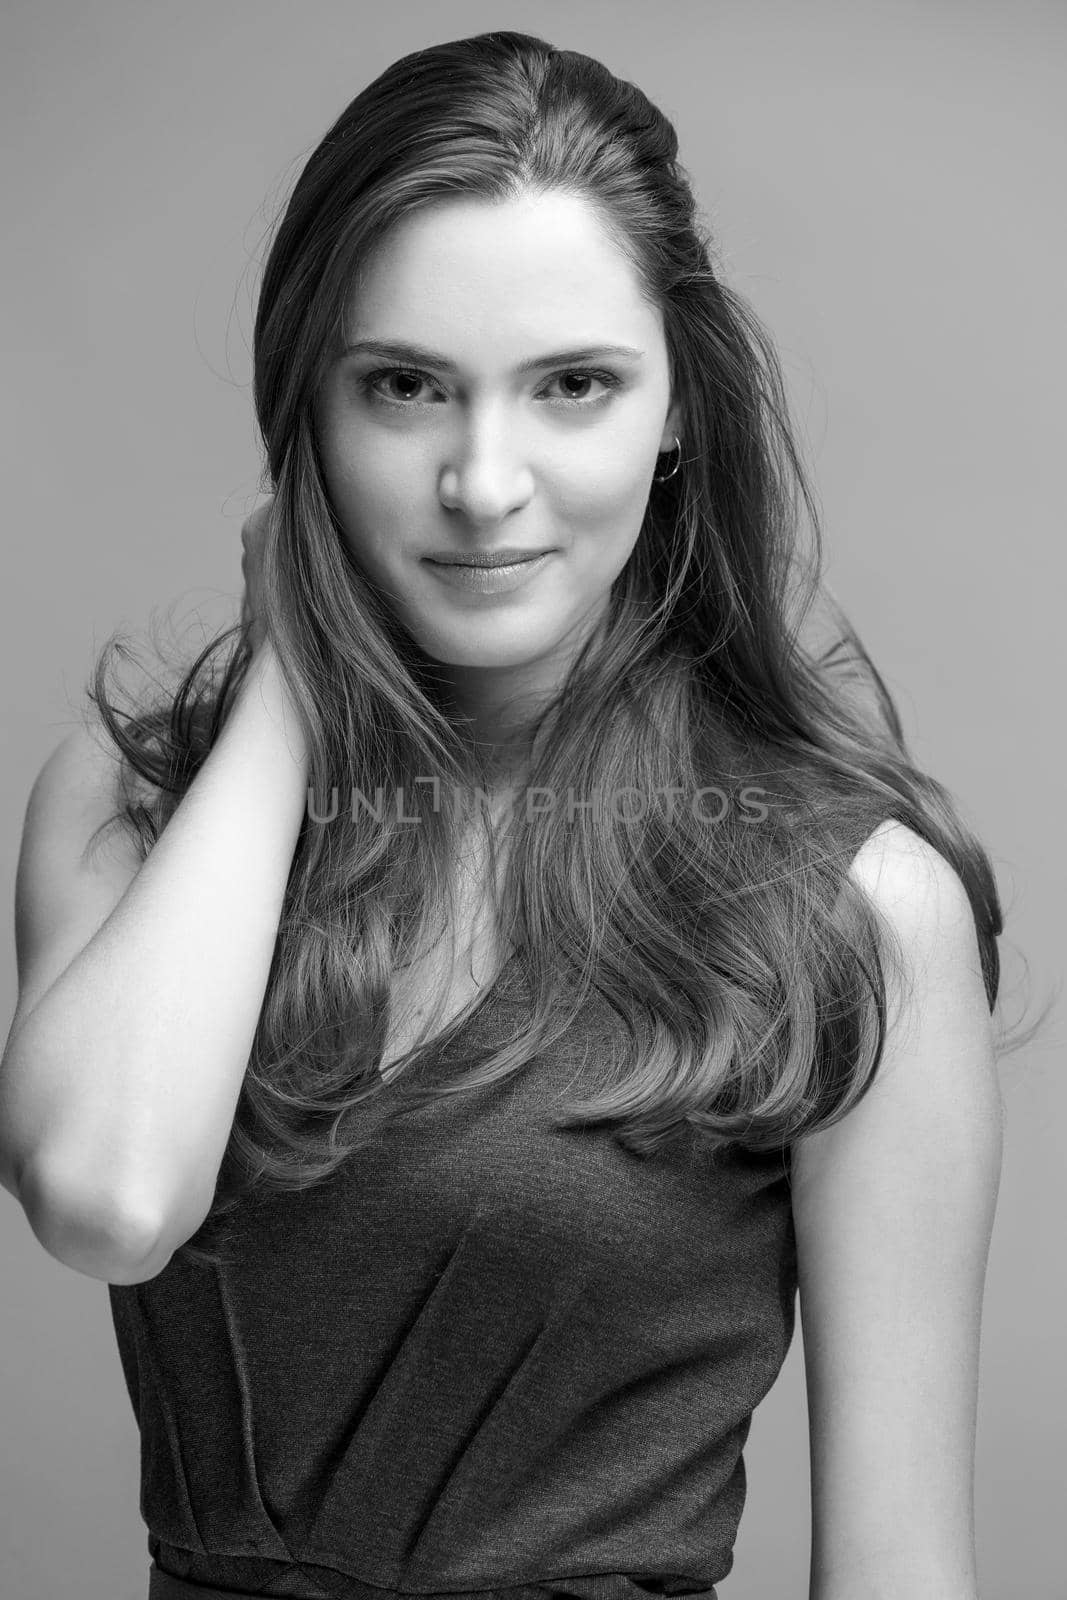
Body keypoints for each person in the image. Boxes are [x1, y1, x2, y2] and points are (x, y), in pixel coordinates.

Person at [0, 29, 1034, 1600]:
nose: (485, 482)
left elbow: (901, 1570)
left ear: (675, 413)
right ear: (308, 417)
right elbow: (108, 1197)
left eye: (573, 387)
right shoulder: (132, 810)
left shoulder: (853, 910)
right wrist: (295, 674)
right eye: (406, 387)